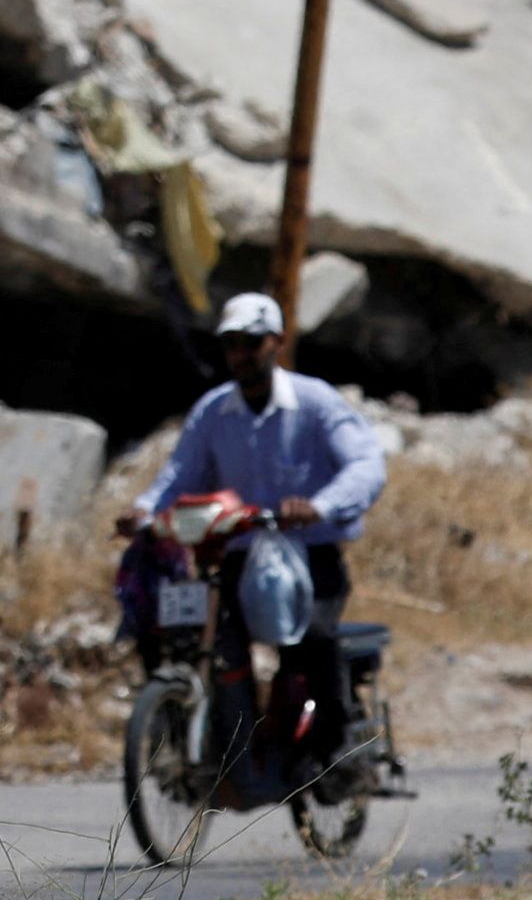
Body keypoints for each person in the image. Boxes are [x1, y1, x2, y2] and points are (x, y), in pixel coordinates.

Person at [126, 289, 388, 781]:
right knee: (199, 638)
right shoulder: (213, 411)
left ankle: (333, 747)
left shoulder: (315, 402)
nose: (240, 355)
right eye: (231, 345)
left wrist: (319, 506)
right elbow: (178, 477)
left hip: (310, 555)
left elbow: (366, 465)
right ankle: (228, 749)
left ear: (276, 343)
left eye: (250, 343)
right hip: (241, 557)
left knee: (311, 636)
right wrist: (143, 512)